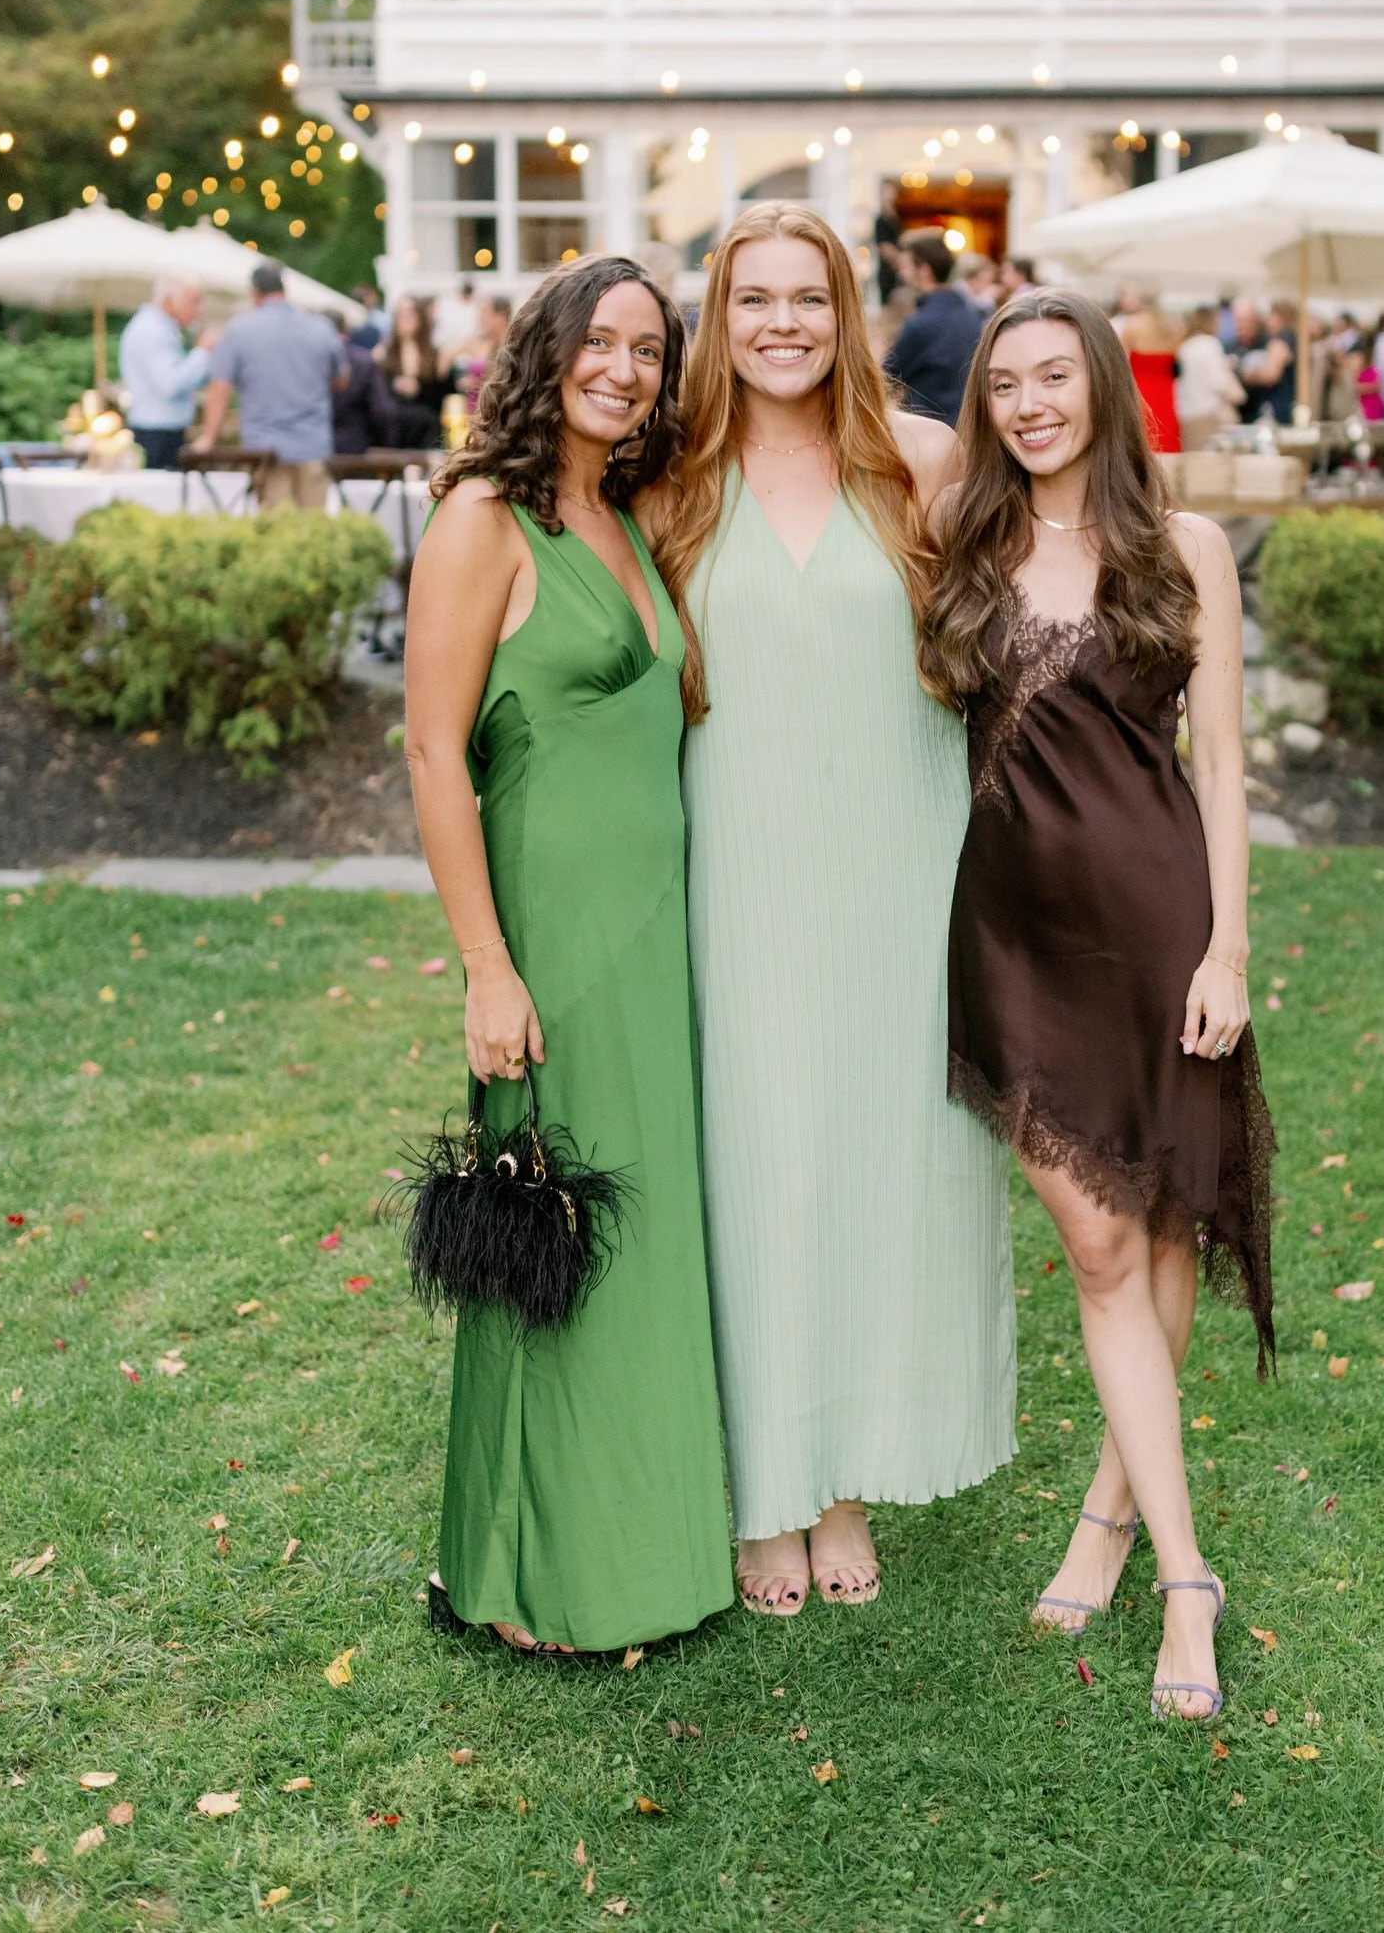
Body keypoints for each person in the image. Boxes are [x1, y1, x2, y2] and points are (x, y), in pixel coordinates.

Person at [648, 199, 1014, 1617]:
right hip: (737, 868)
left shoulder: (914, 463)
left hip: (900, 867)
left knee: (878, 1163)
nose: (785, 323)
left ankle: (846, 1475)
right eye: (756, 300)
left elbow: (1043, 593)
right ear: (718, 320)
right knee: (755, 1167)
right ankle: (763, 1488)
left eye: (811, 298)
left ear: (848, 315)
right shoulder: (671, 481)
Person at [923, 288, 1273, 1723]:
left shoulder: (1183, 547)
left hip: (1161, 928)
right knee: (1097, 1238)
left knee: (1165, 1216)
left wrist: (1230, 948)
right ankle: (1190, 1571)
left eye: (1055, 377)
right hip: (1013, 939)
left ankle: (1123, 1526)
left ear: (1104, 389)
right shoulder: (960, 539)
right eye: (1005, 383)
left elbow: (1230, 764)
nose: (1029, 404)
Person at [404, 256, 733, 1656]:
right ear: (546, 349)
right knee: (560, 1226)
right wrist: (487, 963)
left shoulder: (628, 515)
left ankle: (651, 1550)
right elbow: (431, 748)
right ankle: (532, 1574)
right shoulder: (488, 517)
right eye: (600, 341)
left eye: (650, 351)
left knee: (644, 1232)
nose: (624, 367)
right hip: (553, 931)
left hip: (657, 928)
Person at [193, 263, 346, 509]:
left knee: (276, 532)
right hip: (313, 444)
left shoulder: (239, 330)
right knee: (316, 532)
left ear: (254, 292)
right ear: (284, 289)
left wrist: (209, 438)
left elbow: (220, 386)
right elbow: (341, 378)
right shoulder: (320, 327)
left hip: (265, 449)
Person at [883, 229, 985, 425]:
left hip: (927, 430)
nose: (901, 274)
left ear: (924, 270)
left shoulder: (922, 324)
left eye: (905, 266)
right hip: (966, 427)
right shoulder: (971, 314)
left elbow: (884, 376)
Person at [118, 270, 213, 470]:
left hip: (162, 433)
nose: (198, 310)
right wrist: (202, 352)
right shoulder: (152, 331)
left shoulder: (159, 328)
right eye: (194, 301)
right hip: (157, 437)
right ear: (171, 300)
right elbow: (171, 385)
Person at [382, 294, 453, 451]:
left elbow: (443, 395)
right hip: (395, 432)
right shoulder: (384, 354)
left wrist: (418, 388)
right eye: (400, 314)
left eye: (410, 313)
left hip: (426, 431)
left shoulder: (435, 355)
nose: (405, 319)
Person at [1116, 296, 1186, 454]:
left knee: (1144, 435)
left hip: (1142, 388)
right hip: (1166, 389)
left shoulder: (1132, 325)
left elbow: (1118, 359)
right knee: (1166, 434)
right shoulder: (1173, 327)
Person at [1175, 307, 1245, 450]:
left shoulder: (1185, 346)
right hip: (1208, 414)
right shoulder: (1210, 344)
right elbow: (1219, 383)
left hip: (1186, 413)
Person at [330, 326, 400, 454]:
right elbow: (382, 412)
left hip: (307, 450)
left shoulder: (303, 362)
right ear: (346, 332)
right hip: (353, 449)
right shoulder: (364, 362)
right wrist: (387, 444)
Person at [1238, 301, 1300, 425]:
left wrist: (1246, 376)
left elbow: (1271, 375)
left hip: (1276, 403)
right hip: (1289, 400)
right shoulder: (1294, 337)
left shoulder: (1279, 341)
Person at [872, 179, 907, 308]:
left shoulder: (894, 217)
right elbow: (884, 246)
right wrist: (900, 263)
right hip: (888, 272)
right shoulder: (881, 219)